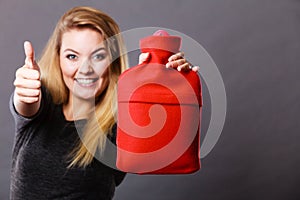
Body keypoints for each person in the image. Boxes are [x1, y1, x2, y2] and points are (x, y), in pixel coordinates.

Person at [10, 6, 199, 200]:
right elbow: (26, 106)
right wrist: (25, 91)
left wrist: (165, 84)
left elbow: (169, 145)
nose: (85, 69)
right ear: (58, 58)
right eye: (72, 56)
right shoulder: (41, 101)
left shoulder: (122, 125)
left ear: (113, 62)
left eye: (98, 56)